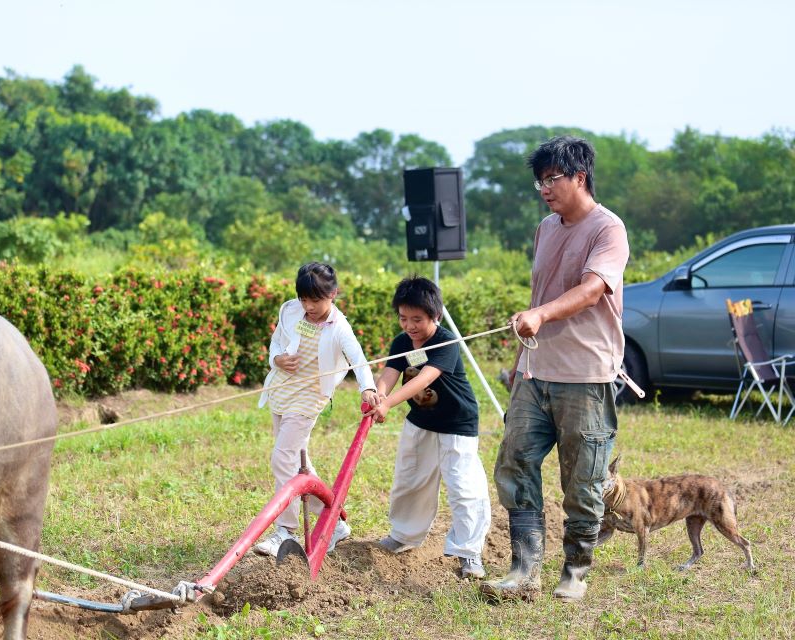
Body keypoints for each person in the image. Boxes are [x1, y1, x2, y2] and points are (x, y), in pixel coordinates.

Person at [480, 135, 629, 603]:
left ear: (579, 177)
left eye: (552, 178)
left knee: (581, 479)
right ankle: (524, 568)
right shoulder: (546, 227)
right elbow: (542, 291)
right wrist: (528, 327)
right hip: (535, 371)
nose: (544, 188)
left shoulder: (609, 229)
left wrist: (543, 314)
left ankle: (575, 570)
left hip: (586, 375)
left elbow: (590, 290)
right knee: (515, 461)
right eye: (539, 181)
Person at [366, 275, 491, 579]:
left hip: (456, 424)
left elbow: (424, 378)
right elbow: (390, 372)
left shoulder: (445, 342)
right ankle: (404, 536)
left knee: (463, 487)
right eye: (403, 318)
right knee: (410, 479)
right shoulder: (402, 343)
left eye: (417, 319)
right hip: (421, 421)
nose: (409, 326)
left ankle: (469, 553)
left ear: (434, 315)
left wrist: (388, 404)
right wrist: (379, 393)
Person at [253, 262, 379, 556]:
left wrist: (368, 388)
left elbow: (358, 360)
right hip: (282, 391)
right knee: (297, 461)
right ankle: (332, 520)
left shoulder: (339, 328)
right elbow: (276, 343)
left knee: (282, 458)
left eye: (315, 299)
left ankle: (285, 532)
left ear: (333, 294)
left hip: (309, 397)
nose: (308, 305)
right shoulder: (290, 310)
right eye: (304, 298)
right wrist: (277, 360)